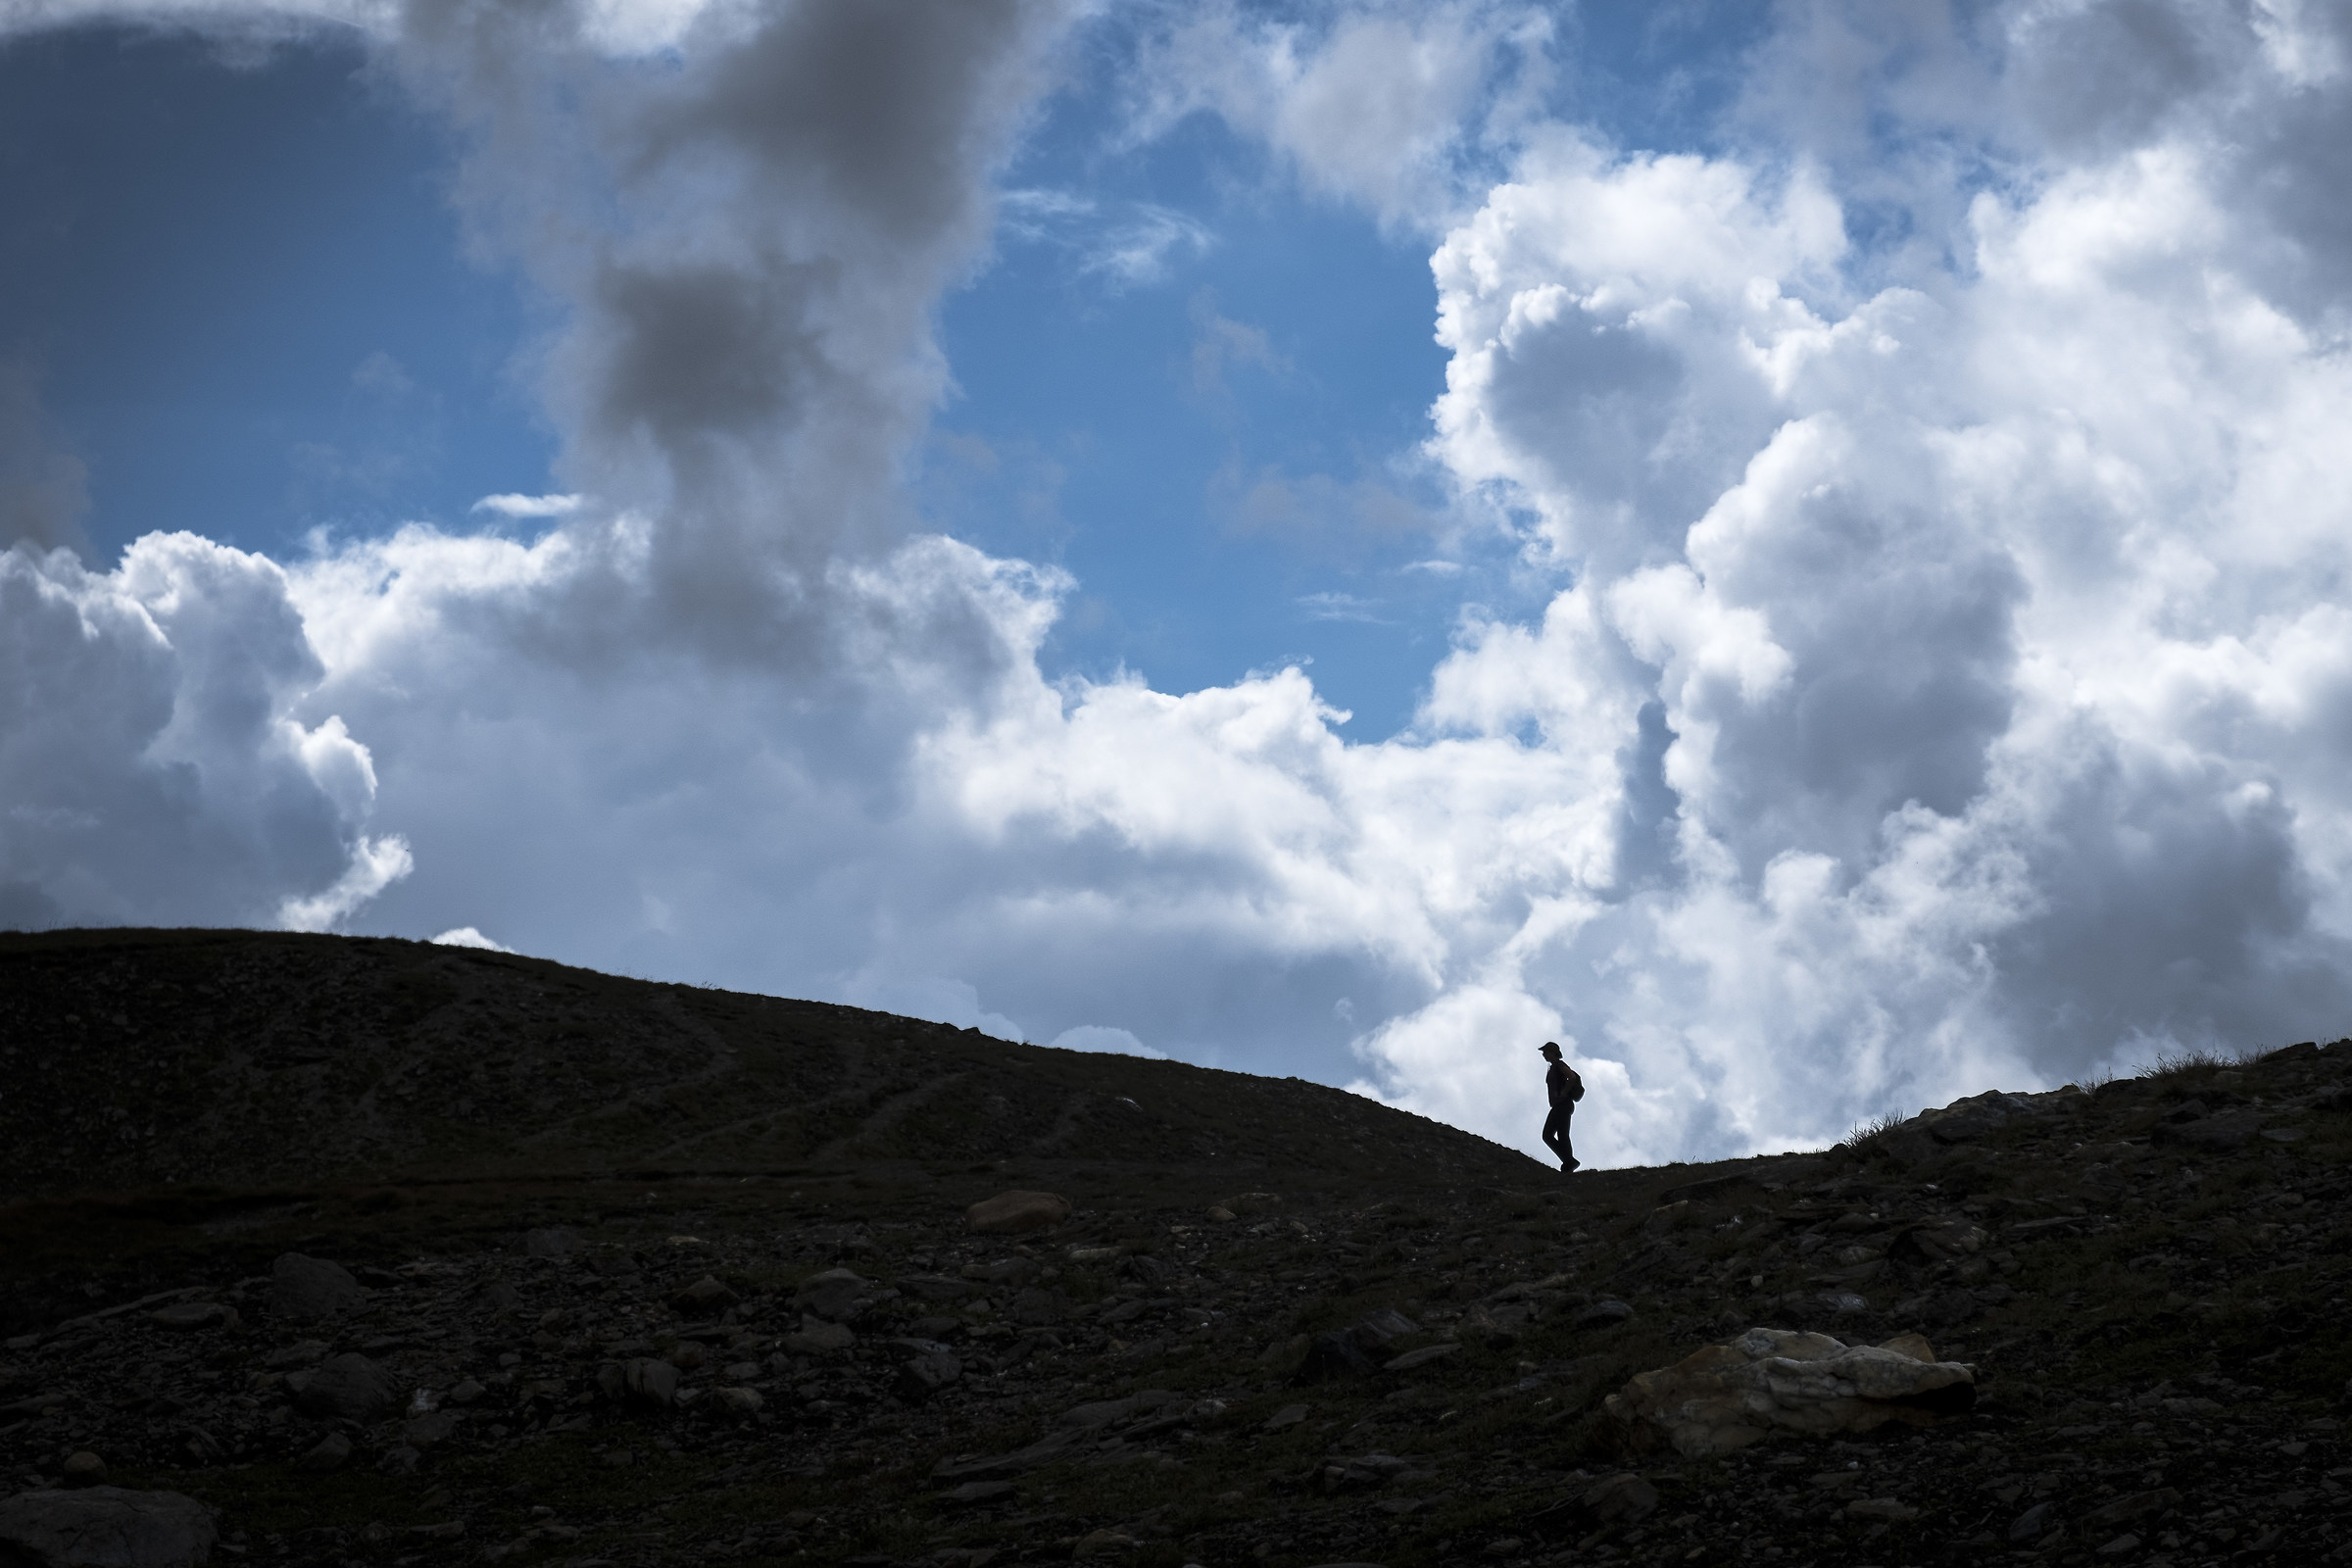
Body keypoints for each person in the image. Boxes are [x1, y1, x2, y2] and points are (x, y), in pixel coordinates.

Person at [1540, 1040, 1583, 1172]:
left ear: (1552, 1052)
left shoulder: (1559, 1064)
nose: (1543, 1055)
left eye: (1545, 1052)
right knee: (1557, 1135)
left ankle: (1569, 1162)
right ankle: (1569, 1161)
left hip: (1563, 1104)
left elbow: (1571, 1077)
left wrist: (1564, 1092)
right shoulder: (1553, 1067)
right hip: (1560, 1105)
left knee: (1551, 1135)